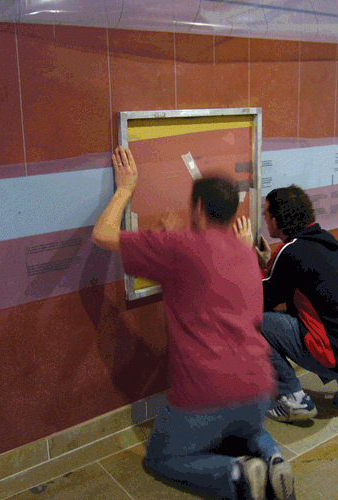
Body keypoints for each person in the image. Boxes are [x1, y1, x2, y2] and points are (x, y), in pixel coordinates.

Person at [91, 146, 296, 500]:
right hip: (258, 387)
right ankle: (272, 457)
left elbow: (102, 234)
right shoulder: (245, 254)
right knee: (245, 432)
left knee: (161, 458)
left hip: (204, 392)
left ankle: (236, 475)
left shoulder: (177, 247)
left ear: (198, 208)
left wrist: (125, 188)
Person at [233, 185, 338, 422]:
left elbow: (259, 301)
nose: (264, 219)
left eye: (265, 214)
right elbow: (287, 282)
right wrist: (267, 264)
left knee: (255, 323)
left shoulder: (291, 251)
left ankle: (293, 399)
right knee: (304, 317)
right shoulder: (324, 240)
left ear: (276, 219)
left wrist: (244, 254)